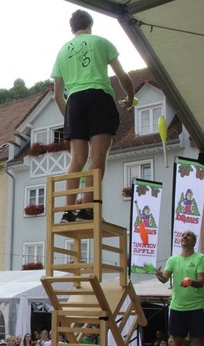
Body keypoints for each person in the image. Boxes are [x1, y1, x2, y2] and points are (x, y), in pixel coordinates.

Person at [52, 9, 134, 222]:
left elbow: (56, 94)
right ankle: (87, 209)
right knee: (98, 155)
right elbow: (123, 76)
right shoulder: (101, 42)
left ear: (72, 29)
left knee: (77, 158)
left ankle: (68, 211)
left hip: (75, 102)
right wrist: (130, 95)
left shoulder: (62, 52)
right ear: (90, 25)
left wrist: (68, 116)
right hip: (99, 96)